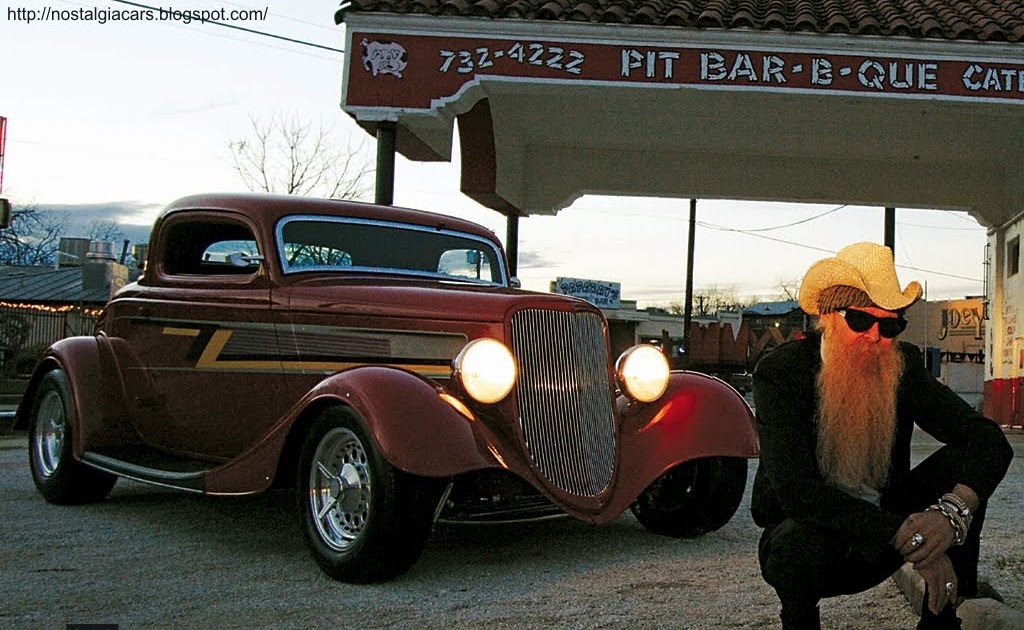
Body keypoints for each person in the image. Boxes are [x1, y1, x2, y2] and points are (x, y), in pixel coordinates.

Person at [751, 242, 1013, 630]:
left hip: (885, 532)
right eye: (860, 320)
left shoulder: (903, 364)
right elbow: (797, 492)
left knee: (966, 469)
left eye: (889, 325)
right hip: (818, 540)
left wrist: (948, 517)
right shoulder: (781, 372)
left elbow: (988, 441)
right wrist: (920, 541)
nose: (876, 336)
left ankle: (941, 619)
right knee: (793, 544)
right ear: (829, 316)